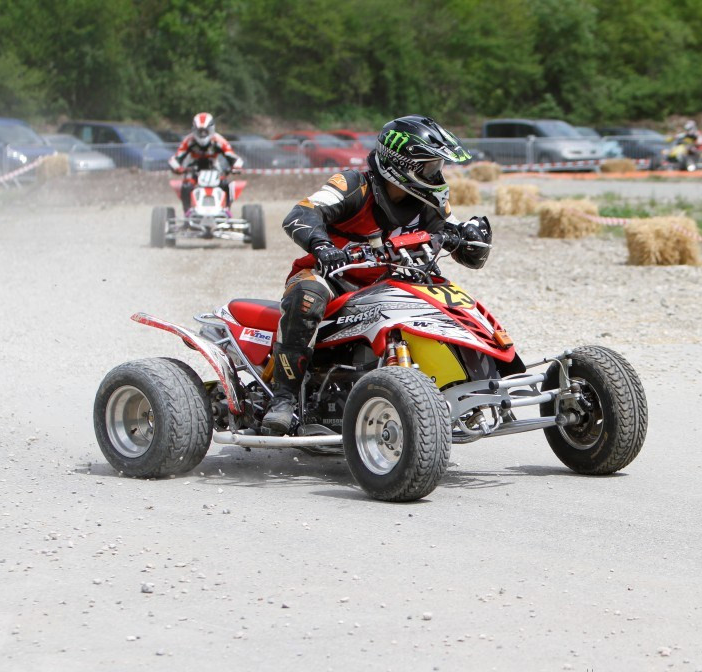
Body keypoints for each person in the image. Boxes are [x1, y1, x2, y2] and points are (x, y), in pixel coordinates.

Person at [261, 115, 492, 435]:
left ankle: (470, 384)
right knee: (307, 296)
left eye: (438, 167)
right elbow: (301, 213)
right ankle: (283, 399)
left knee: (443, 300)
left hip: (392, 280)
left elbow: (462, 243)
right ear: (400, 165)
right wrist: (323, 246)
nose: (436, 175)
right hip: (331, 276)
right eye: (429, 168)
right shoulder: (354, 184)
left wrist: (468, 239)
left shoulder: (429, 201)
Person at [168, 112, 244, 214]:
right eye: (200, 131)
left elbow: (233, 157)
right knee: (186, 186)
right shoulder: (189, 141)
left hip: (214, 168)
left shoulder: (219, 140)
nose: (202, 134)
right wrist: (178, 168)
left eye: (205, 131)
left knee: (226, 185)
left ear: (211, 129)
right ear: (194, 130)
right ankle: (188, 212)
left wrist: (236, 167)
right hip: (193, 168)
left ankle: (226, 210)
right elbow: (176, 158)